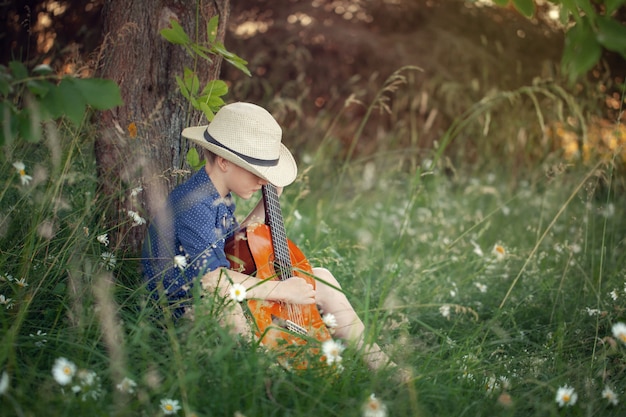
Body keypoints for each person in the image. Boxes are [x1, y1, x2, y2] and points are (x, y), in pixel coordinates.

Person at [141, 102, 398, 374]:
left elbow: (234, 247)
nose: (263, 180)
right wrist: (281, 290)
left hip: (211, 291)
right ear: (224, 161)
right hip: (182, 311)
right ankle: (268, 372)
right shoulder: (194, 205)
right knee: (225, 302)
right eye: (256, 171)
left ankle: (383, 366)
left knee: (320, 276)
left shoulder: (217, 195)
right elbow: (212, 281)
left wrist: (267, 202)